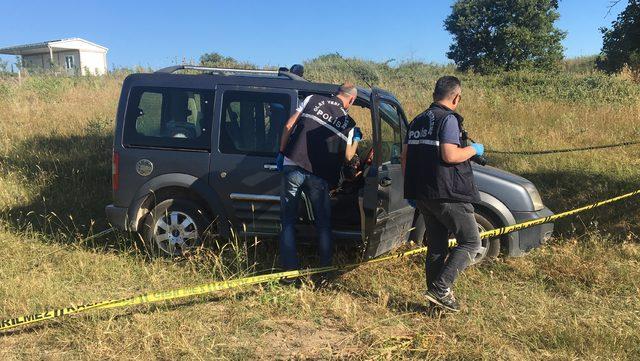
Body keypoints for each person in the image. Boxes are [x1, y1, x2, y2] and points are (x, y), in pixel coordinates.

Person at [402, 76, 485, 312]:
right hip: (447, 193)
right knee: (471, 241)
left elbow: (405, 156)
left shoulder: (417, 120)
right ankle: (441, 288)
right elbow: (449, 155)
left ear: (433, 94)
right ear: (457, 97)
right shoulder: (448, 119)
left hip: (423, 194)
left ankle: (434, 306)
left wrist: (412, 189)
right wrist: (473, 149)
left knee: (437, 248)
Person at [276, 82, 362, 276]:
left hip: (293, 164)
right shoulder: (347, 122)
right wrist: (356, 139)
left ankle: (289, 272)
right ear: (352, 99)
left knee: (288, 220)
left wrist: (282, 151)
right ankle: (325, 270)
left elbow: (289, 124)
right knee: (323, 223)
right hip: (319, 173)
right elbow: (348, 157)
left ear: (337, 93)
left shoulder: (311, 100)